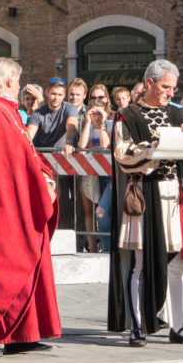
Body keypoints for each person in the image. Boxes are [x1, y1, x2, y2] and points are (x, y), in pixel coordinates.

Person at [109, 59, 183, 346]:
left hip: (175, 193)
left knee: (179, 261)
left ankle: (178, 325)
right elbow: (122, 153)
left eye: (174, 88)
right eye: (166, 87)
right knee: (140, 262)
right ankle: (138, 326)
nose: (171, 93)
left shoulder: (179, 114)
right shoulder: (127, 115)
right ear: (150, 83)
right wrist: (152, 150)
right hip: (145, 193)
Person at [0, 57, 61, 357]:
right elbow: (4, 165)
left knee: (32, 263)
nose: (20, 84)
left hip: (21, 198)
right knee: (3, 266)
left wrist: (45, 177)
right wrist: (37, 184)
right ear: (8, 80)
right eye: (18, 79)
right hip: (3, 204)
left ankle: (23, 333)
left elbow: (28, 154)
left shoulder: (10, 112)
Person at [78, 85, 114, 253]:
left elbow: (106, 145)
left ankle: (106, 248)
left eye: (101, 98)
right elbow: (82, 148)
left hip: (111, 175)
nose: (97, 102)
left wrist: (103, 124)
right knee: (97, 211)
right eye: (93, 99)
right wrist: (87, 122)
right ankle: (103, 248)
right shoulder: (89, 122)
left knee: (102, 210)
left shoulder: (112, 120)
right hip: (95, 174)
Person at [27, 80, 78, 155]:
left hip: (63, 154)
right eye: (53, 94)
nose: (56, 98)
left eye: (60, 95)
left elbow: (71, 126)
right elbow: (29, 135)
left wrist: (69, 143)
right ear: (47, 92)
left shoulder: (70, 108)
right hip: (43, 155)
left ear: (64, 95)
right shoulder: (37, 113)